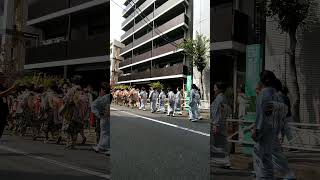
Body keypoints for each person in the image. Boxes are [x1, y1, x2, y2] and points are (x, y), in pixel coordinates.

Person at [251, 70, 293, 180]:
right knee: (268, 158)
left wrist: (256, 131)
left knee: (261, 159)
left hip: (264, 133)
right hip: (273, 132)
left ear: (263, 81)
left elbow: (262, 115)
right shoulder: (277, 96)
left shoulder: (263, 94)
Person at [211, 82, 232, 168]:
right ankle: (225, 161)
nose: (214, 89)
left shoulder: (219, 99)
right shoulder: (224, 98)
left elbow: (217, 112)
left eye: (215, 88)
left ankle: (224, 161)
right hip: (222, 123)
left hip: (218, 124)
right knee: (222, 143)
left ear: (219, 89)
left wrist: (215, 124)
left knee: (218, 144)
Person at [91, 82, 111, 155]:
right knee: (107, 133)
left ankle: (104, 147)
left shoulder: (103, 98)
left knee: (105, 132)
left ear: (103, 90)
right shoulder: (109, 96)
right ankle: (102, 147)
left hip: (105, 117)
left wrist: (98, 114)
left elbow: (93, 105)